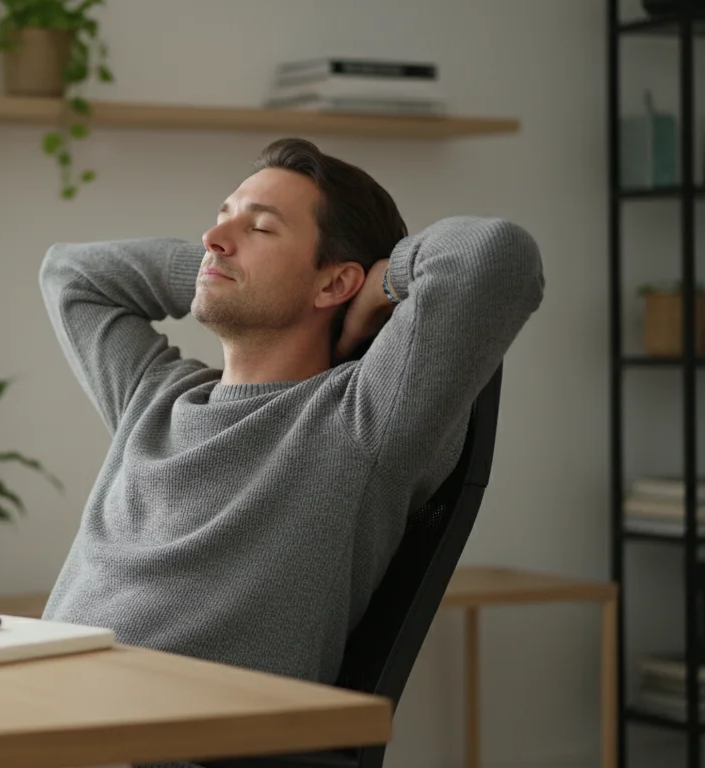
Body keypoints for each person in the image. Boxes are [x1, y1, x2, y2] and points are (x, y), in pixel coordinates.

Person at [38, 137, 544, 687]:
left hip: (169, 725)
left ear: (335, 282)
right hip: (42, 698)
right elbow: (70, 274)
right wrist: (217, 271)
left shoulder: (360, 420)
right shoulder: (154, 397)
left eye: (259, 228)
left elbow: (497, 257)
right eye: (222, 218)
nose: (212, 238)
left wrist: (381, 283)